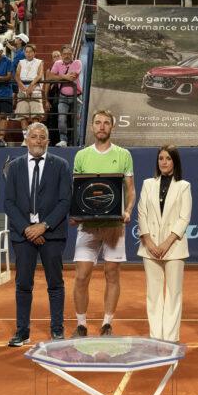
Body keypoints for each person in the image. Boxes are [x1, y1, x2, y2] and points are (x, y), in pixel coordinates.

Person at [4, 122, 71, 346]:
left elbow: (64, 201)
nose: (38, 141)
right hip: (23, 235)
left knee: (55, 283)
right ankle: (22, 332)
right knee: (23, 283)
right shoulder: (14, 167)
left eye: (43, 137)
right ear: (27, 140)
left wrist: (44, 226)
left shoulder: (61, 165)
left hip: (51, 234)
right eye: (34, 136)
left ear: (48, 141)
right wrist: (27, 228)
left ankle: (57, 330)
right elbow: (9, 203)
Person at [72, 109, 136, 337]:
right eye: (98, 122)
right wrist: (74, 213)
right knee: (81, 276)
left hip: (114, 227)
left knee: (112, 274)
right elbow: (76, 191)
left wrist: (127, 211)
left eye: (106, 123)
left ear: (112, 127)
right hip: (87, 227)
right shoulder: (81, 156)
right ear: (91, 127)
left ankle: (107, 323)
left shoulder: (124, 155)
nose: (101, 126)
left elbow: (130, 190)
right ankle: (81, 324)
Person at [137, 145, 192, 342]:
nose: (164, 162)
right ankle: (155, 336)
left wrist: (166, 243)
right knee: (153, 294)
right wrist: (149, 242)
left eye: (168, 158)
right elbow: (141, 214)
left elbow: (184, 217)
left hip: (174, 247)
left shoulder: (184, 186)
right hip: (149, 248)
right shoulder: (147, 184)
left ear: (174, 162)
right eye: (161, 158)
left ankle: (170, 338)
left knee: (173, 293)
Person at [47, 44, 81, 147]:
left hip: (77, 96)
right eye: (65, 54)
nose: (67, 56)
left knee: (76, 121)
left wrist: (57, 76)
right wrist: (65, 76)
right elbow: (49, 77)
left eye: (69, 54)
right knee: (61, 119)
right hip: (62, 97)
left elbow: (72, 78)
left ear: (72, 54)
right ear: (61, 55)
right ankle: (63, 140)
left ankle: (76, 143)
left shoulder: (77, 62)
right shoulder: (57, 63)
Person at [14, 43, 44, 142]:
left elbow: (39, 75)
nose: (28, 54)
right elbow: (17, 76)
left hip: (35, 91)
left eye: (30, 51)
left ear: (34, 53)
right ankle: (26, 139)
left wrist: (31, 86)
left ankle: (35, 138)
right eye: (26, 52)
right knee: (23, 116)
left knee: (36, 116)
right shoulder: (21, 62)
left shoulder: (39, 62)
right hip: (22, 92)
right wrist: (22, 87)